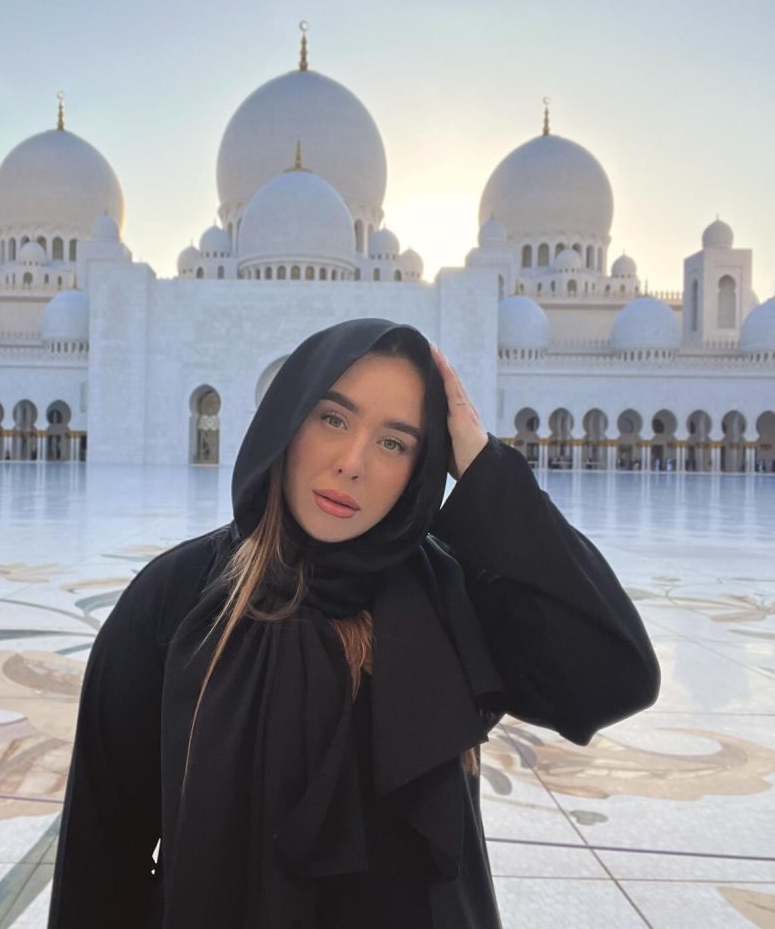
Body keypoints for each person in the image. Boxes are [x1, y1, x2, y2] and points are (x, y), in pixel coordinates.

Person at [48, 318, 659, 929]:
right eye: (333, 419)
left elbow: (611, 680)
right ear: (287, 420)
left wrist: (488, 471)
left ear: (424, 465)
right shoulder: (182, 596)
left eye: (394, 443)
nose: (352, 463)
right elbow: (104, 850)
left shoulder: (446, 595)